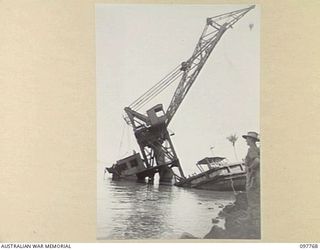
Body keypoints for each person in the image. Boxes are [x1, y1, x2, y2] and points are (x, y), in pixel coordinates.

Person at [242, 131, 260, 237]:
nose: (246, 141)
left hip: (253, 177)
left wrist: (250, 169)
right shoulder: (256, 149)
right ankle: (250, 218)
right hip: (255, 177)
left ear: (251, 140)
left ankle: (254, 223)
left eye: (247, 139)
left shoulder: (251, 149)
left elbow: (257, 161)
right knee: (253, 198)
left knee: (253, 198)